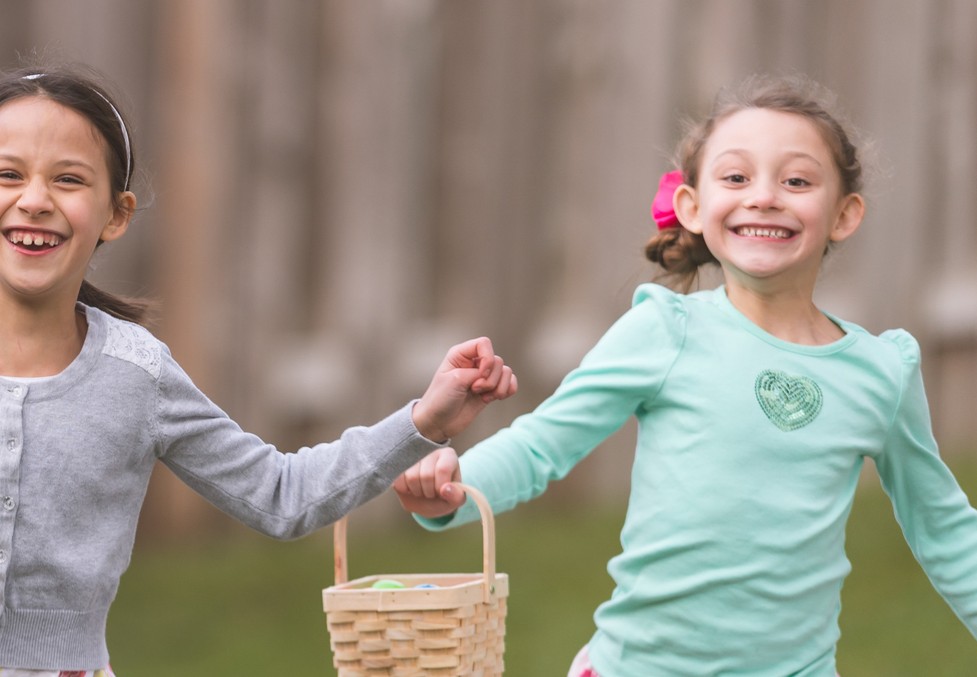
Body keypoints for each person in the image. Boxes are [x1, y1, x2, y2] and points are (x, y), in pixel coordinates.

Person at [0, 64, 518, 677]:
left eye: (68, 179)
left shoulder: (139, 377)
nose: (35, 199)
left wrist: (424, 420)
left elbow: (282, 495)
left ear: (116, 213)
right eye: (9, 174)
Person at [393, 73, 977, 677]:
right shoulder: (666, 330)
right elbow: (545, 443)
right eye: (736, 177)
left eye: (796, 180)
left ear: (844, 214)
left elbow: (944, 526)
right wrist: (453, 492)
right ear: (693, 207)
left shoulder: (879, 372)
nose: (764, 196)